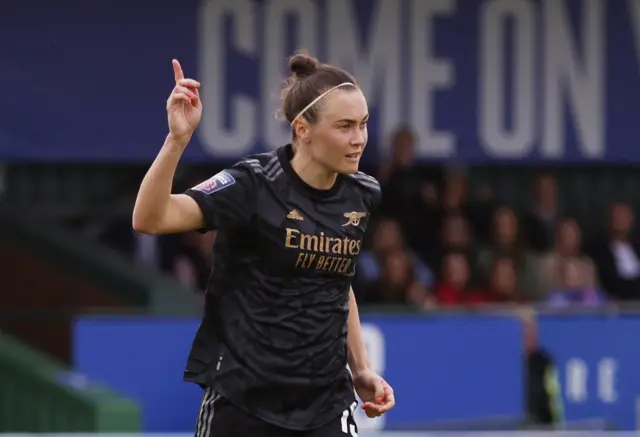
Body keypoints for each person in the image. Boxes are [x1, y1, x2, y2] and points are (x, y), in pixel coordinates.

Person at [132, 53, 395, 437]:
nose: (359, 139)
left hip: (325, 403)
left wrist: (362, 369)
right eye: (345, 126)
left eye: (363, 124)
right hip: (243, 402)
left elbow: (337, 283)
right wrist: (177, 141)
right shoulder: (251, 184)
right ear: (302, 128)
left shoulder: (363, 194)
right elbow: (150, 218)